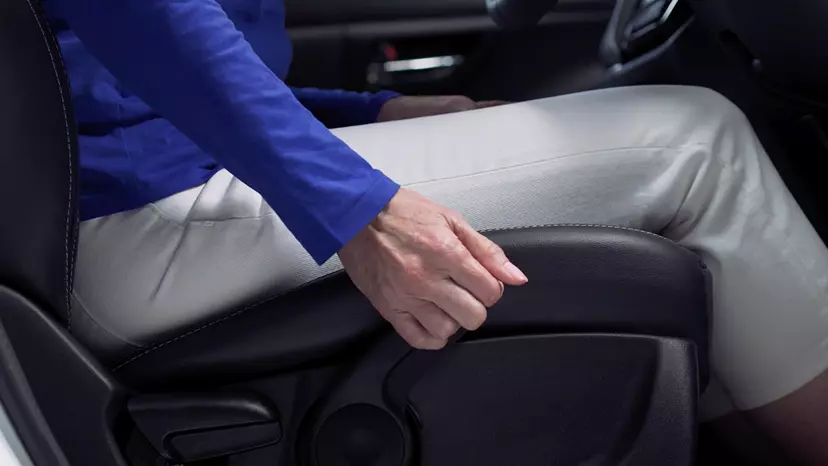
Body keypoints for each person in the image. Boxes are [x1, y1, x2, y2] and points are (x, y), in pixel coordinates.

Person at [42, 0, 828, 464]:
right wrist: (360, 210)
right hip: (127, 219)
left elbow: (117, 82)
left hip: (133, 196)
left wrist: (372, 112)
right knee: (697, 144)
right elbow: (141, 20)